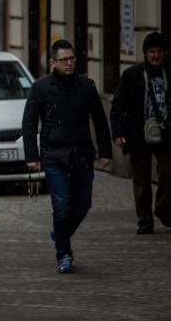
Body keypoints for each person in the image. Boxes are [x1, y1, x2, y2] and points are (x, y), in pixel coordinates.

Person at [22, 39, 112, 274]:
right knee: (61, 206)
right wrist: (32, 156)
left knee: (82, 205)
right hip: (55, 156)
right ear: (53, 62)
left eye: (72, 58)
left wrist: (105, 152)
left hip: (82, 155)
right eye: (64, 60)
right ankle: (64, 253)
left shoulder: (86, 86)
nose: (69, 63)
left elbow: (100, 121)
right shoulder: (41, 88)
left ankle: (59, 233)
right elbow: (29, 124)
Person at [110, 32, 171, 234]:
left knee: (168, 170)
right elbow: (118, 104)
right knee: (141, 179)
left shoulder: (168, 72)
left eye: (159, 51)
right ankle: (144, 220)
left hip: (165, 133)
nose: (155, 55)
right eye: (152, 52)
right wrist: (118, 132)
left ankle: (162, 208)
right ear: (145, 54)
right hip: (138, 134)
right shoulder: (133, 74)